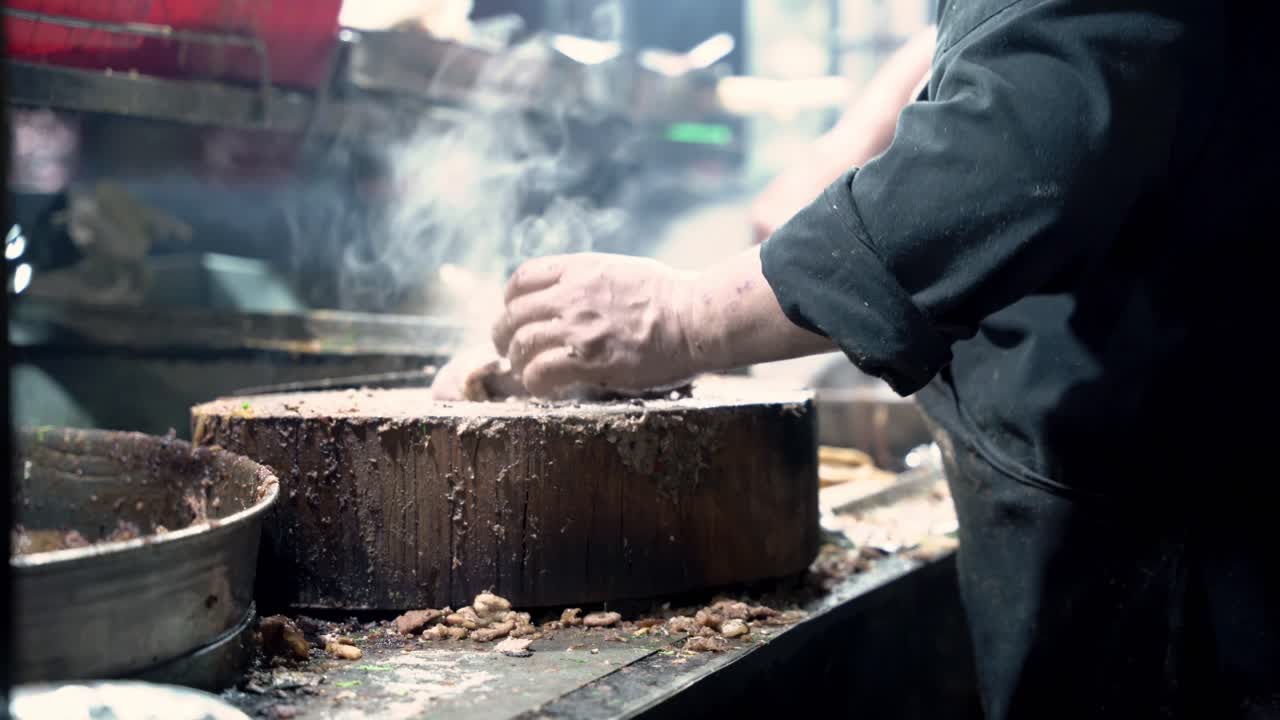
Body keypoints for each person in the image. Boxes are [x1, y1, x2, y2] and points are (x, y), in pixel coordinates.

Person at [436, 1, 1278, 717]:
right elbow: (1032, 34)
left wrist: (683, 313)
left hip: (1180, 521)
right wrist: (874, 132)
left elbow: (1021, 152)